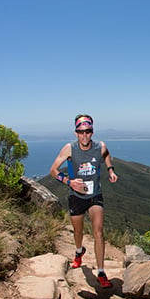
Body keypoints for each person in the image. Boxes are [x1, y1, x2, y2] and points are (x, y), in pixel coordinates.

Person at [49, 114, 118, 288]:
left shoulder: (99, 147)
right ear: (76, 133)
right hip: (76, 196)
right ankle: (79, 251)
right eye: (81, 132)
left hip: (95, 196)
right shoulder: (69, 149)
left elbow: (107, 154)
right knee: (78, 232)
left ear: (92, 132)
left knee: (98, 233)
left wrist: (110, 170)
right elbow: (53, 170)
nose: (85, 135)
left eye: (88, 131)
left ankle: (101, 272)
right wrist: (69, 182)